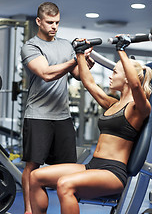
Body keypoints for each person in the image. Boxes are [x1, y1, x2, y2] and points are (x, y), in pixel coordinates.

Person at [29, 35, 152, 214]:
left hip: (112, 173)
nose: (111, 76)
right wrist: (80, 53)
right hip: (92, 166)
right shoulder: (113, 104)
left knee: (65, 184)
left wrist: (122, 50)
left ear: (126, 78)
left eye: (115, 72)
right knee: (35, 177)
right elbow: (89, 83)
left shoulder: (140, 108)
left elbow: (135, 85)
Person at [20, 2, 94, 214]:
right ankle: (29, 210)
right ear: (39, 21)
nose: (54, 26)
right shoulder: (31, 46)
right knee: (32, 166)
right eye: (50, 22)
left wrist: (86, 59)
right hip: (38, 115)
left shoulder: (65, 45)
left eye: (57, 23)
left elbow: (79, 75)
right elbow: (46, 73)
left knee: (67, 170)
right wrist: (75, 59)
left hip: (63, 117)